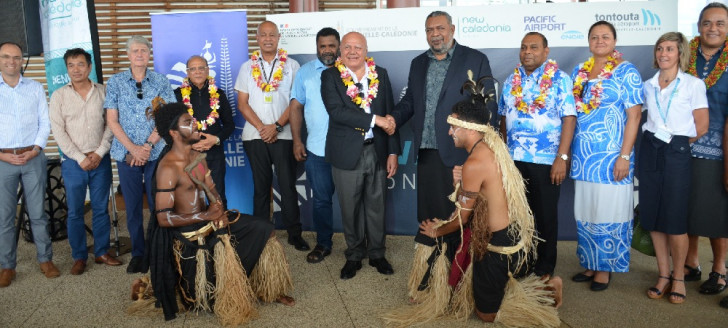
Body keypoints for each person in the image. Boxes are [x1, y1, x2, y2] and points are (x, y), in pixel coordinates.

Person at [384, 78, 562, 327]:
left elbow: (461, 219)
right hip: (508, 234)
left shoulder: (475, 162)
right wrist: (462, 183)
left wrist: (437, 231)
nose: (449, 132)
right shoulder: (491, 146)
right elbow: (483, 195)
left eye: (452, 127)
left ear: (467, 128)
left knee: (486, 315)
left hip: (498, 245)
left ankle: (544, 291)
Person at [129, 101, 294, 324]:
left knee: (265, 230)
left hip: (209, 223)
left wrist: (219, 211)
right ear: (173, 133)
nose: (195, 123)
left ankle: (267, 288)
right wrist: (206, 216)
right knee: (202, 299)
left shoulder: (196, 156)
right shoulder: (168, 167)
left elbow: (212, 189)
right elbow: (163, 218)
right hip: (188, 238)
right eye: (188, 122)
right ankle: (152, 286)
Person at [387, 10, 497, 302]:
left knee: (458, 220)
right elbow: (410, 102)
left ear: (452, 29)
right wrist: (393, 119)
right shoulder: (418, 63)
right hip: (427, 153)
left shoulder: (475, 59)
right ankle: (430, 281)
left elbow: (488, 109)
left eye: (440, 28)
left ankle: (454, 282)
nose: (435, 34)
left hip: (460, 154)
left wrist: (474, 155)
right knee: (431, 216)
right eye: (429, 30)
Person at [569, 21, 643, 291]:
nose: (599, 40)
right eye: (594, 36)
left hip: (613, 157)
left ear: (614, 40)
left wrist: (625, 156)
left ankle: (606, 267)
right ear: (588, 41)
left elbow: (634, 116)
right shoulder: (580, 71)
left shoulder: (626, 71)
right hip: (585, 155)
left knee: (608, 211)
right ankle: (590, 262)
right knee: (586, 210)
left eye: (605, 36)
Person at [321, 32, 400, 280]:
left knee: (376, 207)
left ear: (366, 50)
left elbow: (389, 117)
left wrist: (393, 151)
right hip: (346, 152)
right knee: (350, 208)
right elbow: (337, 112)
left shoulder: (381, 74)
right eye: (347, 47)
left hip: (376, 150)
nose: (352, 52)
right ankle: (354, 255)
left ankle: (377, 253)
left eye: (358, 47)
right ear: (340, 51)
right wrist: (375, 120)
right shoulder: (330, 76)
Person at [498, 32, 576, 278]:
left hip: (546, 161)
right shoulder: (511, 80)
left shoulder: (559, 79)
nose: (527, 52)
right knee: (518, 215)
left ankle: (545, 267)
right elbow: (503, 117)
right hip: (514, 161)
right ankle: (523, 261)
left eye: (533, 47)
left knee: (544, 215)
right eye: (523, 47)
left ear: (546, 51)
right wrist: (503, 155)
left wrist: (562, 158)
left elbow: (569, 118)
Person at [639, 32, 709, 304]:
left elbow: (701, 126)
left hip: (677, 150)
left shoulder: (693, 84)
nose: (663, 53)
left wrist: (676, 144)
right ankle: (663, 274)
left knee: (675, 219)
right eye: (660, 48)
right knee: (653, 218)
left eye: (669, 49)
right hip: (650, 149)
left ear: (680, 53)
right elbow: (636, 114)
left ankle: (679, 277)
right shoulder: (648, 85)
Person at [234, 21, 308, 252]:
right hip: (254, 136)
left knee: (287, 186)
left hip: (284, 135)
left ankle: (295, 234)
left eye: (272, 35)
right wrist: (262, 128)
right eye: (263, 35)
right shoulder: (247, 67)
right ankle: (261, 235)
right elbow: (242, 104)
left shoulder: (293, 66)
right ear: (257, 39)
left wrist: (275, 126)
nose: (268, 39)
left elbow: (295, 102)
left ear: (278, 38)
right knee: (260, 187)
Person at [104, 36, 176, 273]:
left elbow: (166, 117)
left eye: (143, 50)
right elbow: (112, 121)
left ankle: (160, 250)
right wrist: (133, 149)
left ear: (148, 54)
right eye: (135, 51)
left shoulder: (160, 81)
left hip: (154, 153)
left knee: (158, 203)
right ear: (128, 55)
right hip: (126, 154)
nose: (139, 54)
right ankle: (138, 253)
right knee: (133, 206)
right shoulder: (115, 82)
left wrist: (146, 146)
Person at [49, 48, 121, 275]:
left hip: (100, 158)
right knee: (75, 212)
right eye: (71, 65)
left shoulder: (104, 92)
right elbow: (58, 132)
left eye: (81, 64)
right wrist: (80, 158)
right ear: (67, 69)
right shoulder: (59, 96)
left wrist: (99, 152)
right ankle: (79, 256)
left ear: (89, 67)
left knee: (101, 208)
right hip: (72, 162)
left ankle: (101, 252)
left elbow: (112, 124)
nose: (76, 69)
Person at [0, 41, 58, 287]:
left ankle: (45, 260)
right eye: (5, 57)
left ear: (21, 60)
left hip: (32, 157)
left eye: (16, 57)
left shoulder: (35, 87)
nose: (11, 61)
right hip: (3, 159)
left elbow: (45, 123)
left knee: (38, 214)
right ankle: (7, 266)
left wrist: (35, 149)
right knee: (4, 217)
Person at [684, 2, 728, 301]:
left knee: (716, 213)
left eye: (720, 23)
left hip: (720, 149)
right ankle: (691, 263)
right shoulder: (686, 55)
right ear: (699, 26)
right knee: (687, 208)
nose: (713, 28)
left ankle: (720, 269)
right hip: (684, 146)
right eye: (707, 23)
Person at [289, 27, 340, 263]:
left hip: (348, 150)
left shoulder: (350, 69)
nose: (327, 50)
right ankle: (324, 244)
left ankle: (359, 247)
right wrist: (297, 140)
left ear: (338, 46)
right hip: (317, 149)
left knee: (356, 200)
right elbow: (296, 107)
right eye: (323, 46)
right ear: (317, 48)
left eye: (332, 45)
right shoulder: (306, 73)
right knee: (321, 200)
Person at [173, 55, 234, 209]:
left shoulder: (219, 94)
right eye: (193, 69)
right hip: (187, 156)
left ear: (207, 70)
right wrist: (189, 144)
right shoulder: (177, 95)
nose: (197, 72)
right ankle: (197, 233)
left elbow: (229, 125)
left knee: (217, 197)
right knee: (190, 200)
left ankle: (221, 232)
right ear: (187, 72)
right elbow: (171, 128)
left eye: (201, 68)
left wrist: (215, 139)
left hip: (214, 154)